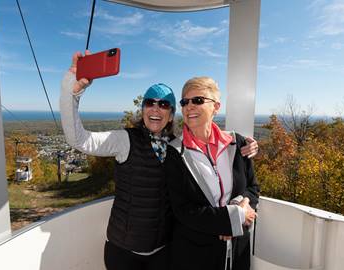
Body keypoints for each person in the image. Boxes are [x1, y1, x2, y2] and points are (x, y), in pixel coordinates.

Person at [60, 52, 259, 270]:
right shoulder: (125, 140)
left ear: (172, 113)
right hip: (125, 252)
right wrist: (72, 91)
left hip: (164, 252)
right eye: (149, 103)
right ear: (143, 109)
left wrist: (244, 144)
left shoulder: (178, 147)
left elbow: (213, 152)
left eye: (164, 104)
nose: (156, 108)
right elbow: (79, 139)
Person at [165, 76, 260, 270]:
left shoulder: (237, 144)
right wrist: (231, 219)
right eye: (185, 102)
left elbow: (253, 187)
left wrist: (239, 209)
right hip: (195, 256)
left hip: (238, 251)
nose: (189, 106)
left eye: (198, 100)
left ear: (216, 107)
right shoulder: (175, 153)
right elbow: (182, 210)